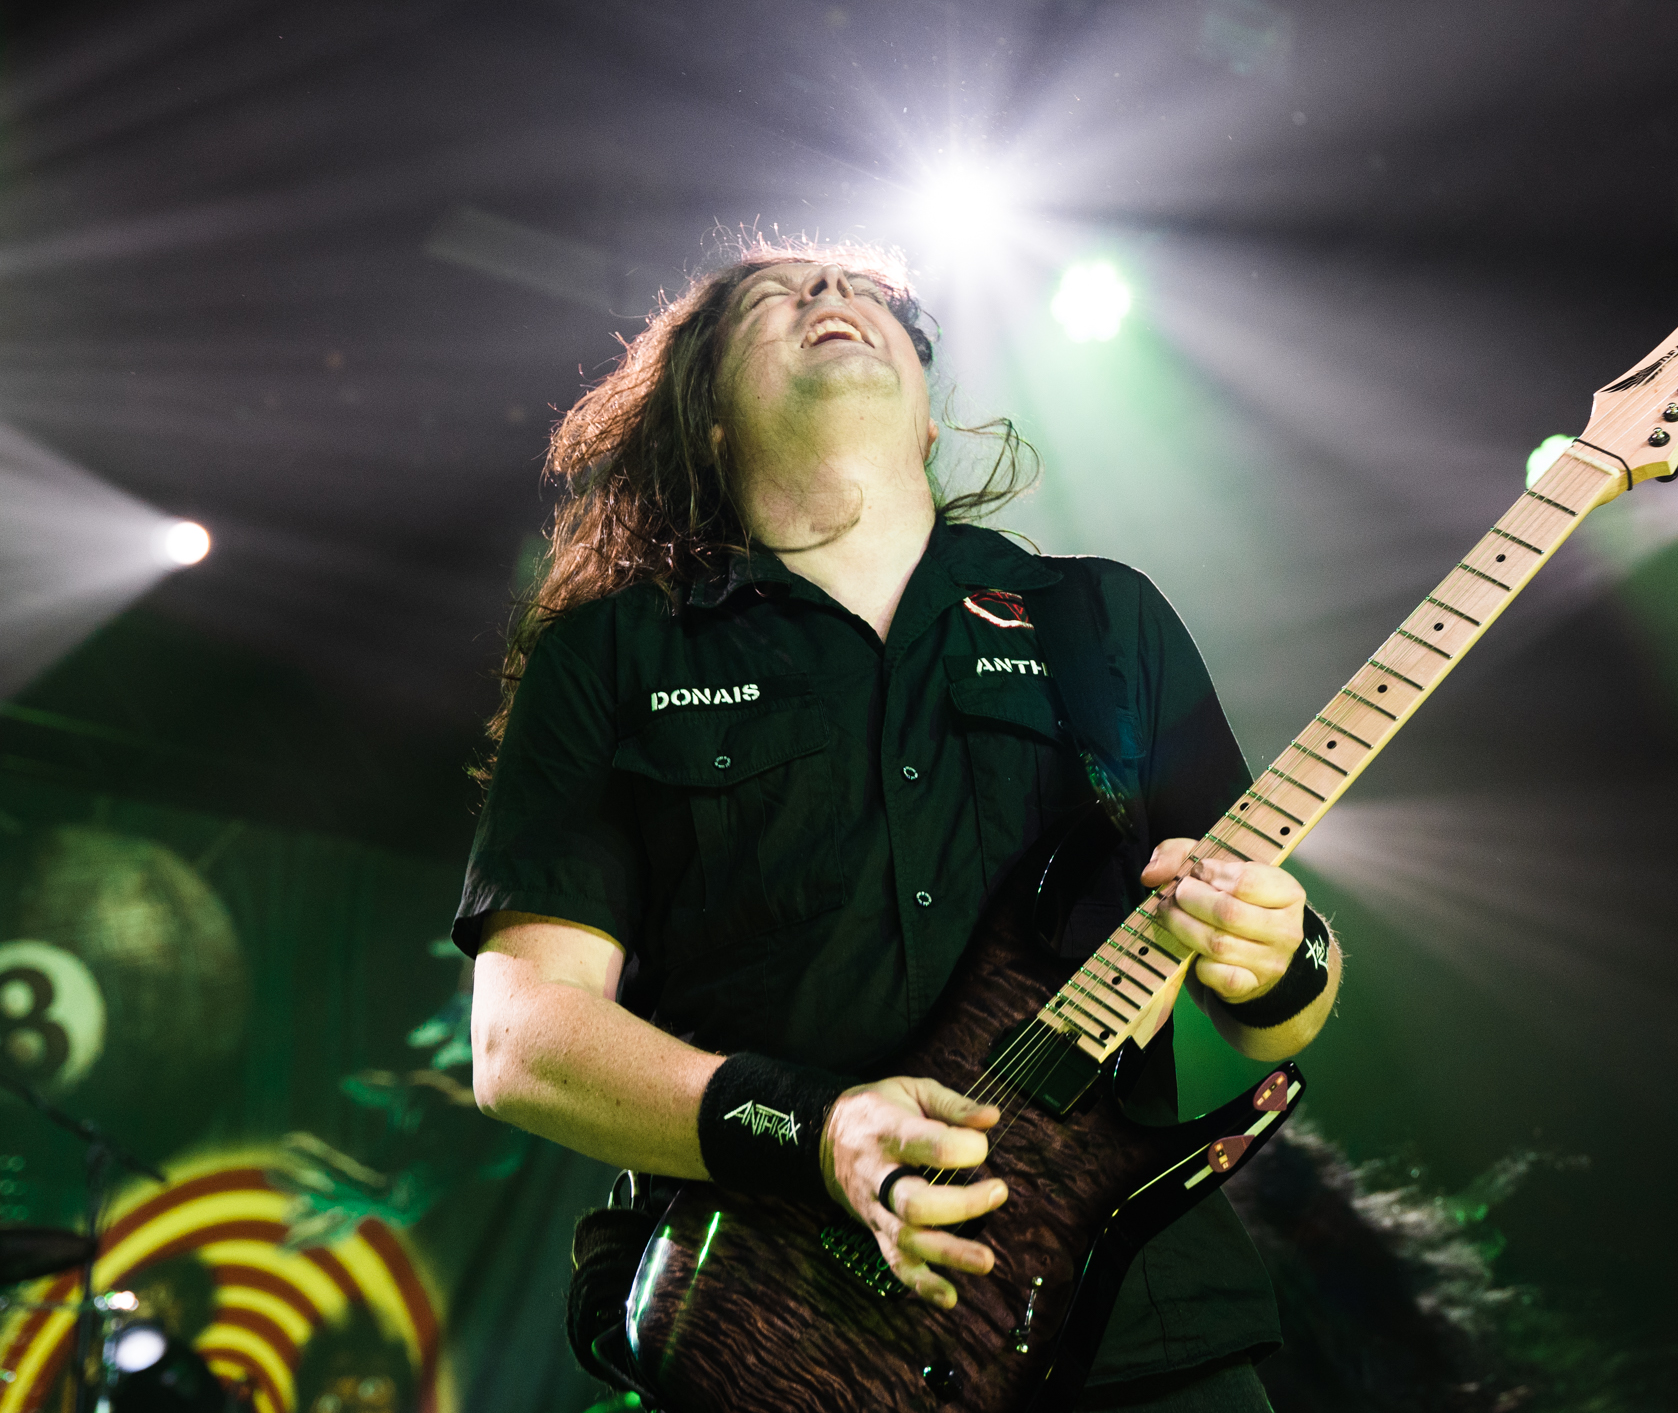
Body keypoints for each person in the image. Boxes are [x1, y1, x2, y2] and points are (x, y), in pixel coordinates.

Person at [455, 240, 1342, 1412]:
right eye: (771, 298)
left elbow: (1273, 1009)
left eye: (866, 292)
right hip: (792, 1346)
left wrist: (1284, 952)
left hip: (1142, 1330)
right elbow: (521, 1041)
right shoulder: (610, 656)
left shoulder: (1100, 618)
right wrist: (818, 1130)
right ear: (708, 420)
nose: (830, 294)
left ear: (927, 416)